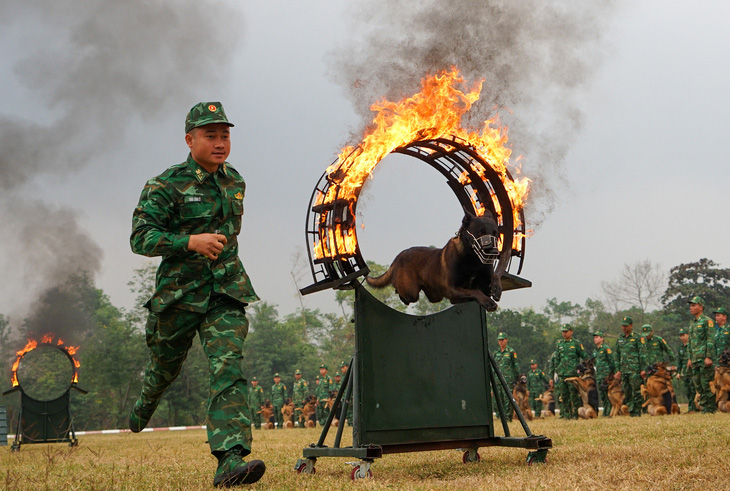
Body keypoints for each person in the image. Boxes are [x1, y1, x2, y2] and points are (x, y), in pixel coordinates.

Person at [129, 102, 264, 486]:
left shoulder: (234, 181)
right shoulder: (164, 184)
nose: (220, 142)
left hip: (226, 290)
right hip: (179, 296)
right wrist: (189, 241)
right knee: (164, 367)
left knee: (228, 365)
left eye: (225, 135)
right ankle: (147, 399)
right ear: (190, 140)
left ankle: (230, 459)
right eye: (211, 135)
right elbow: (141, 238)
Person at [687, 296, 716, 413]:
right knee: (698, 385)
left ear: (701, 307)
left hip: (704, 358)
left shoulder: (707, 321)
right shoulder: (692, 323)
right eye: (690, 305)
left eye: (694, 305)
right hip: (694, 359)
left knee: (706, 384)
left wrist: (708, 356)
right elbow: (690, 342)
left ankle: (710, 409)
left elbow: (710, 339)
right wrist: (689, 358)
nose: (691, 308)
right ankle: (704, 407)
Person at [551, 324, 586, 419]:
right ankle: (567, 415)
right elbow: (557, 358)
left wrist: (584, 368)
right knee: (564, 396)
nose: (564, 333)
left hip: (573, 374)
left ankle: (575, 415)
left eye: (566, 331)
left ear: (571, 331)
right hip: (562, 374)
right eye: (563, 331)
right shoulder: (559, 344)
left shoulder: (576, 343)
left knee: (573, 395)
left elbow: (584, 356)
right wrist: (556, 370)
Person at [614, 316, 646, 417]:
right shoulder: (620, 339)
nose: (624, 328)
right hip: (624, 370)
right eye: (622, 326)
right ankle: (630, 410)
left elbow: (643, 355)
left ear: (631, 326)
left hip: (635, 369)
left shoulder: (637, 337)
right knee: (627, 391)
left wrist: (643, 369)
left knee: (636, 391)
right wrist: (618, 370)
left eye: (626, 326)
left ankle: (636, 411)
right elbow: (617, 355)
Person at [493, 332, 519, 421]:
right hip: (497, 379)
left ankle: (508, 417)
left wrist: (516, 378)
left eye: (502, 340)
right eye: (499, 340)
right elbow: (493, 367)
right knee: (498, 399)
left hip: (508, 379)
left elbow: (515, 366)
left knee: (507, 399)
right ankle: (500, 417)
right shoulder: (496, 352)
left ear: (506, 340)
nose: (501, 342)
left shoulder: (511, 351)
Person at [592, 331, 616, 417]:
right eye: (594, 337)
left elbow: (611, 361)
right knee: (602, 394)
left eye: (597, 337)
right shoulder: (595, 350)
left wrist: (613, 373)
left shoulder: (606, 348)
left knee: (608, 394)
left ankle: (608, 411)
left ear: (602, 339)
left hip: (606, 375)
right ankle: (605, 411)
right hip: (599, 375)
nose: (595, 339)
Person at [676, 328, 698, 413]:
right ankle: (690, 408)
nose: (682, 338)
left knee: (693, 389)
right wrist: (678, 372)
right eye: (680, 336)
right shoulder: (680, 347)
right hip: (685, 372)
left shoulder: (692, 345)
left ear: (688, 335)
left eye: (684, 335)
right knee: (687, 390)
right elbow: (679, 361)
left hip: (692, 371)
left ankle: (694, 408)